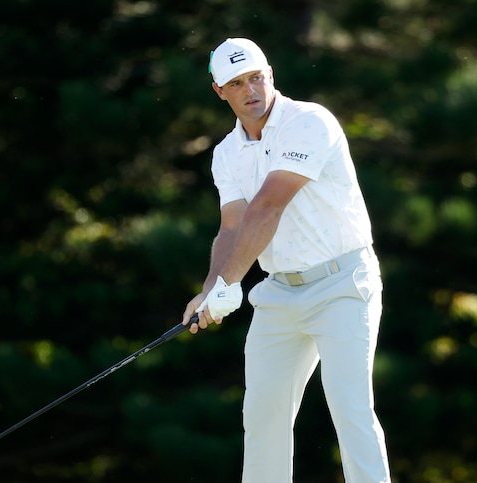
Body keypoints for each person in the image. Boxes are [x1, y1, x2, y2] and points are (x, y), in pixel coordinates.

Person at [181, 37, 391, 483]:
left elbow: (269, 206)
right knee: (262, 417)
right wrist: (208, 290)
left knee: (350, 409)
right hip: (279, 292)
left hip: (342, 285)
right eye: (237, 83)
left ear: (270, 74)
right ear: (220, 91)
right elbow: (232, 227)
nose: (250, 90)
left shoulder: (310, 122)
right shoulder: (226, 153)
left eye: (256, 77)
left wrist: (228, 286)